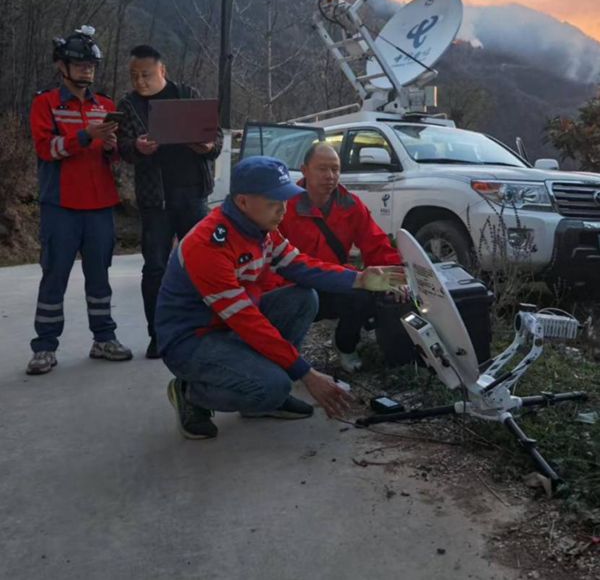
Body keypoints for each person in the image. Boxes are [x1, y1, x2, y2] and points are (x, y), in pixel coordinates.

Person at [155, 156, 405, 440]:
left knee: (303, 298)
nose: (283, 210)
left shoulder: (261, 231)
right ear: (243, 202)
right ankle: (190, 393)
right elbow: (246, 321)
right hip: (193, 340)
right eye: (274, 203)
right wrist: (305, 373)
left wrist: (358, 279)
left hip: (227, 325)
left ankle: (262, 400)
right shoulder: (209, 245)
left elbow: (301, 266)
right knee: (273, 387)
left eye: (285, 201)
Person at [26, 26, 133, 375]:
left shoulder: (106, 105)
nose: (87, 70)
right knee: (54, 275)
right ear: (62, 65)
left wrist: (110, 147)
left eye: (91, 65)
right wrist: (86, 135)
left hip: (100, 204)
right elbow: (47, 149)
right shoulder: (45, 103)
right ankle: (44, 347)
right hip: (60, 204)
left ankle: (104, 338)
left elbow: (112, 157)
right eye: (80, 64)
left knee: (100, 276)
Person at [117, 45, 223, 359]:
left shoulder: (187, 95)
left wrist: (206, 147)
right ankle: (158, 335)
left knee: (200, 265)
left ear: (162, 70)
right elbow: (123, 148)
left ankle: (201, 330)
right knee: (155, 269)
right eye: (134, 75)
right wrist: (137, 148)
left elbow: (215, 139)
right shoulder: (129, 105)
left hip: (193, 195)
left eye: (145, 74)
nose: (139, 81)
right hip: (155, 200)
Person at [273, 142, 403, 373]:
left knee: (365, 292)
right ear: (304, 170)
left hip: (334, 280)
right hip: (293, 285)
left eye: (335, 169)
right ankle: (282, 353)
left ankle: (346, 345)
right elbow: (268, 254)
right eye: (322, 169)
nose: (330, 176)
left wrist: (395, 277)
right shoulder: (285, 205)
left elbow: (376, 244)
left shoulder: (350, 204)